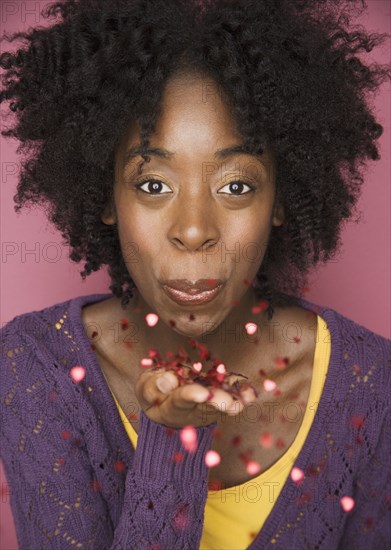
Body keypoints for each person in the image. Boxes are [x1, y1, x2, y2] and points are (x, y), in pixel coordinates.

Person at [0, 0, 390, 548]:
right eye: (153, 184)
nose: (192, 230)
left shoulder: (370, 384)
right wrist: (173, 434)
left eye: (236, 185)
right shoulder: (35, 365)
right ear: (104, 193)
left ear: (282, 197)